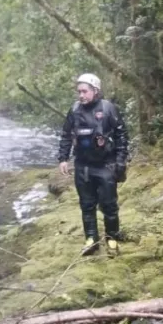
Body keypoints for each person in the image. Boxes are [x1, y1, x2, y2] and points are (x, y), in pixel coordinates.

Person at [57, 73, 129, 256]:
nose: (81, 95)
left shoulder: (108, 108)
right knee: (87, 204)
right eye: (79, 91)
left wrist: (120, 160)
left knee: (109, 204)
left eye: (85, 91)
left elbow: (121, 135)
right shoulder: (74, 110)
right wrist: (63, 158)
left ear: (95, 91)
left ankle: (112, 238)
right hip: (83, 165)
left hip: (106, 164)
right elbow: (66, 135)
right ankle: (91, 239)